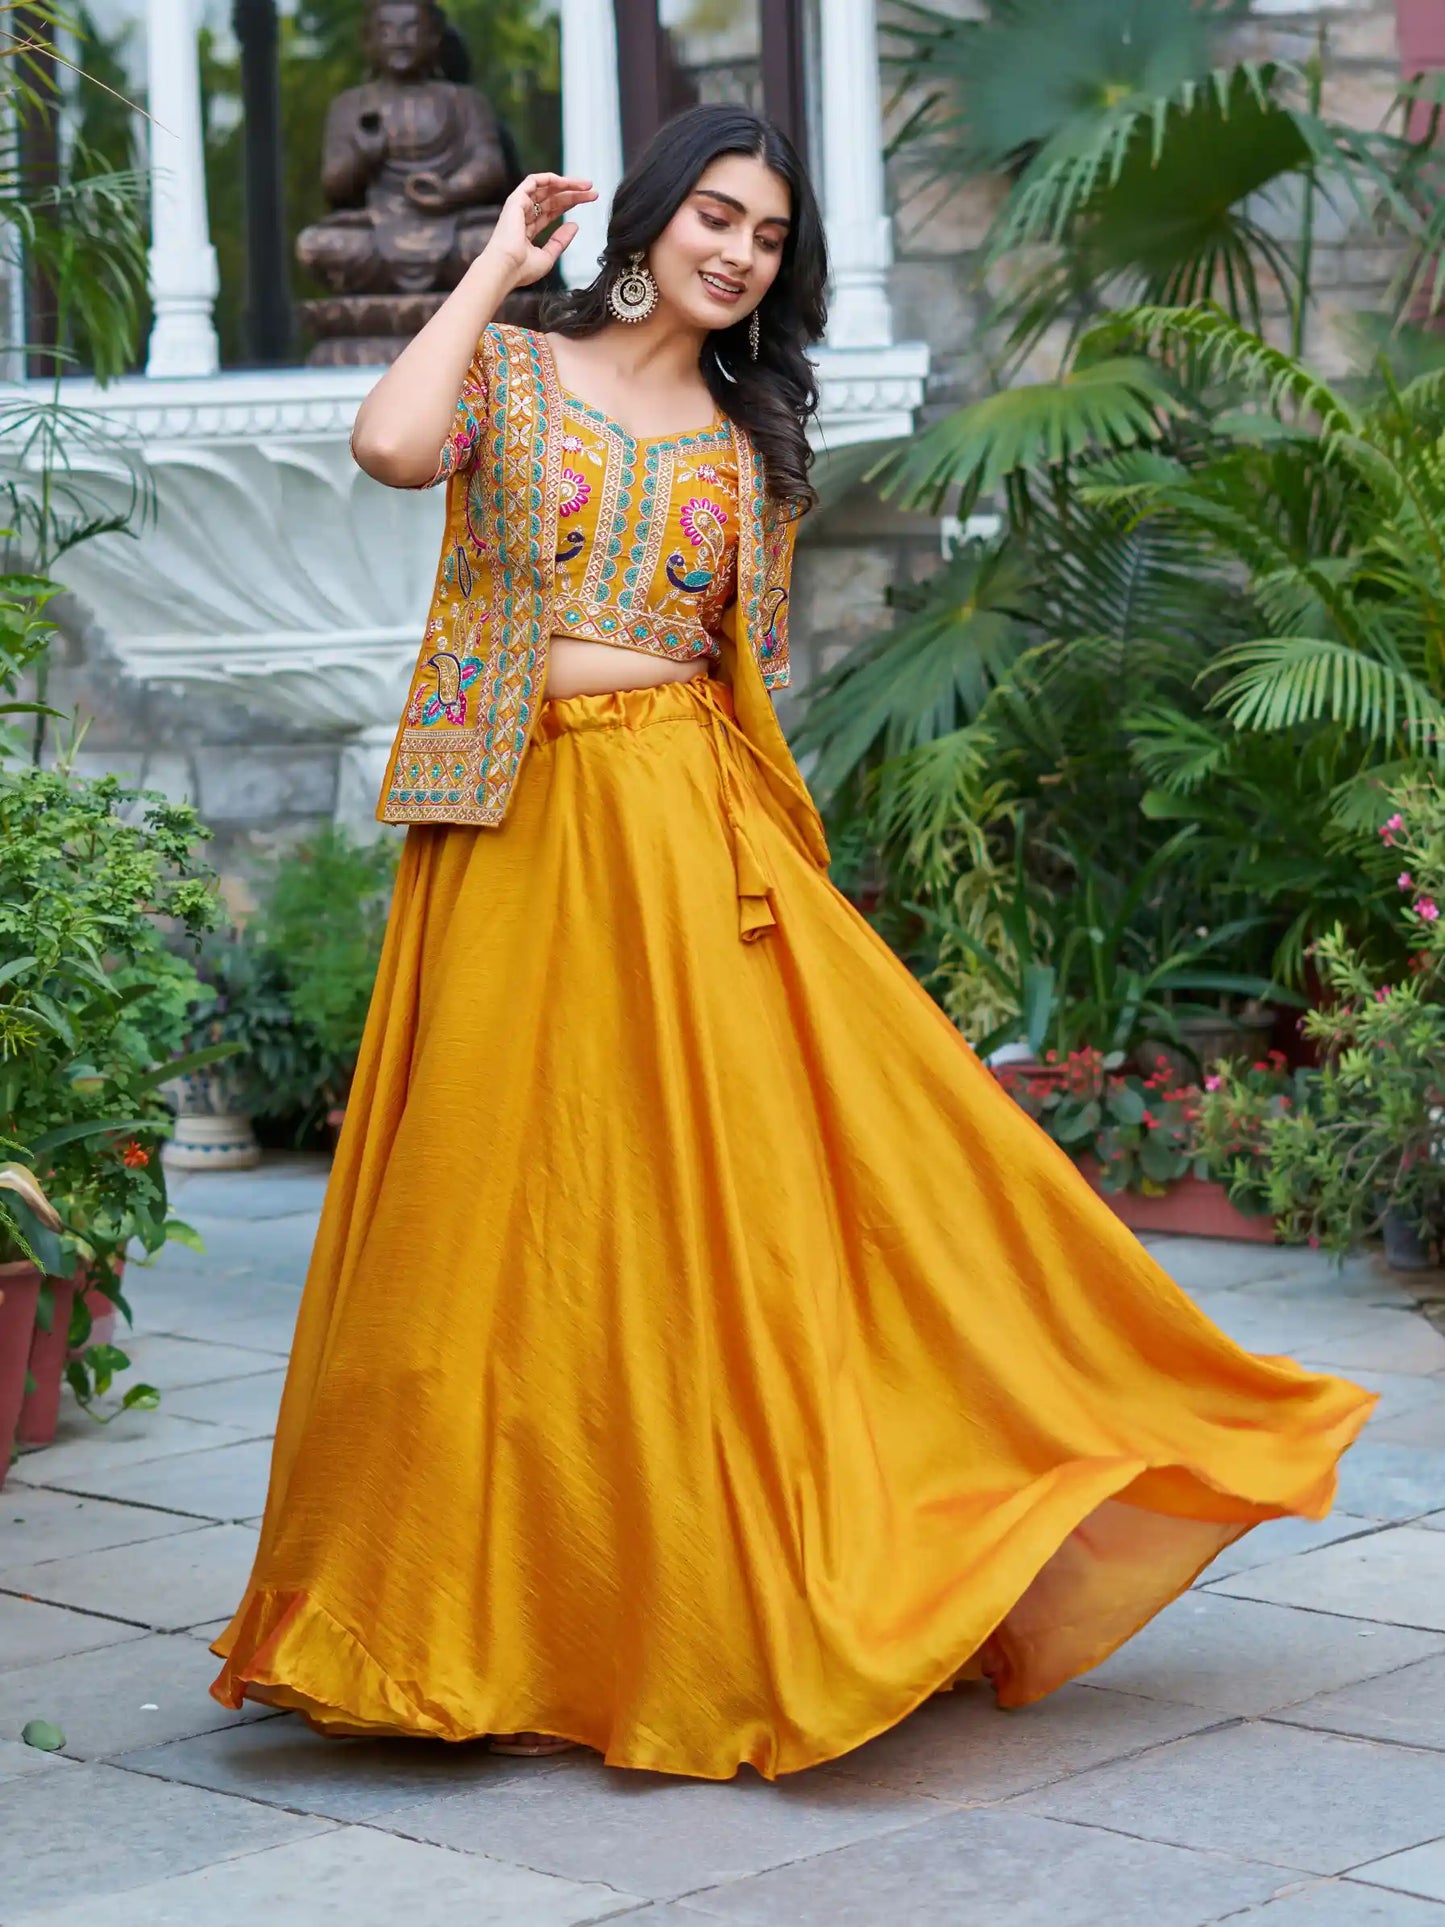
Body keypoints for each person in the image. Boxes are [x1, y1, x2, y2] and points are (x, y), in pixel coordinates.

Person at [211, 105, 1375, 1780]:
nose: (738, 250)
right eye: (718, 215)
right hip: (505, 833)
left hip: (678, 833)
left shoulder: (747, 447)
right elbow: (392, 449)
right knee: (481, 1226)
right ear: (654, 214)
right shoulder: (516, 372)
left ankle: (759, 1576)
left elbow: (733, 683)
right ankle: (450, 1626)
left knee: (699, 1222)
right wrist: (490, 266)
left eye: (767, 236)